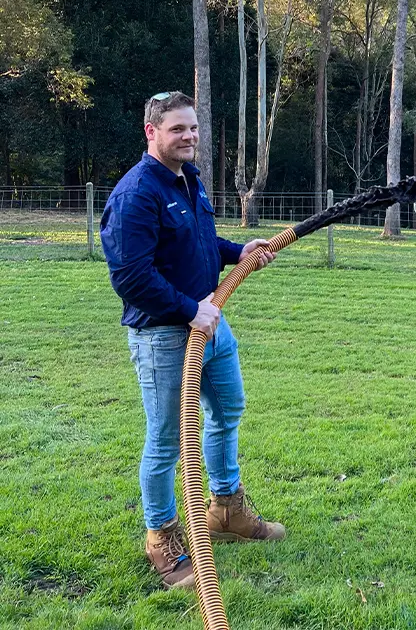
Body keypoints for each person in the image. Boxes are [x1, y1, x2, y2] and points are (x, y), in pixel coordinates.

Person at [100, 91, 285, 590]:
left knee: (228, 411)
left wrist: (236, 250)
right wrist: (189, 310)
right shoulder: (135, 194)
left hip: (211, 323)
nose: (189, 137)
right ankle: (161, 538)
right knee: (165, 441)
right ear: (152, 132)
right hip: (165, 335)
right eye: (178, 129)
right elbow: (131, 277)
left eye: (194, 128)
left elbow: (198, 244)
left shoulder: (190, 180)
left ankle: (226, 510)